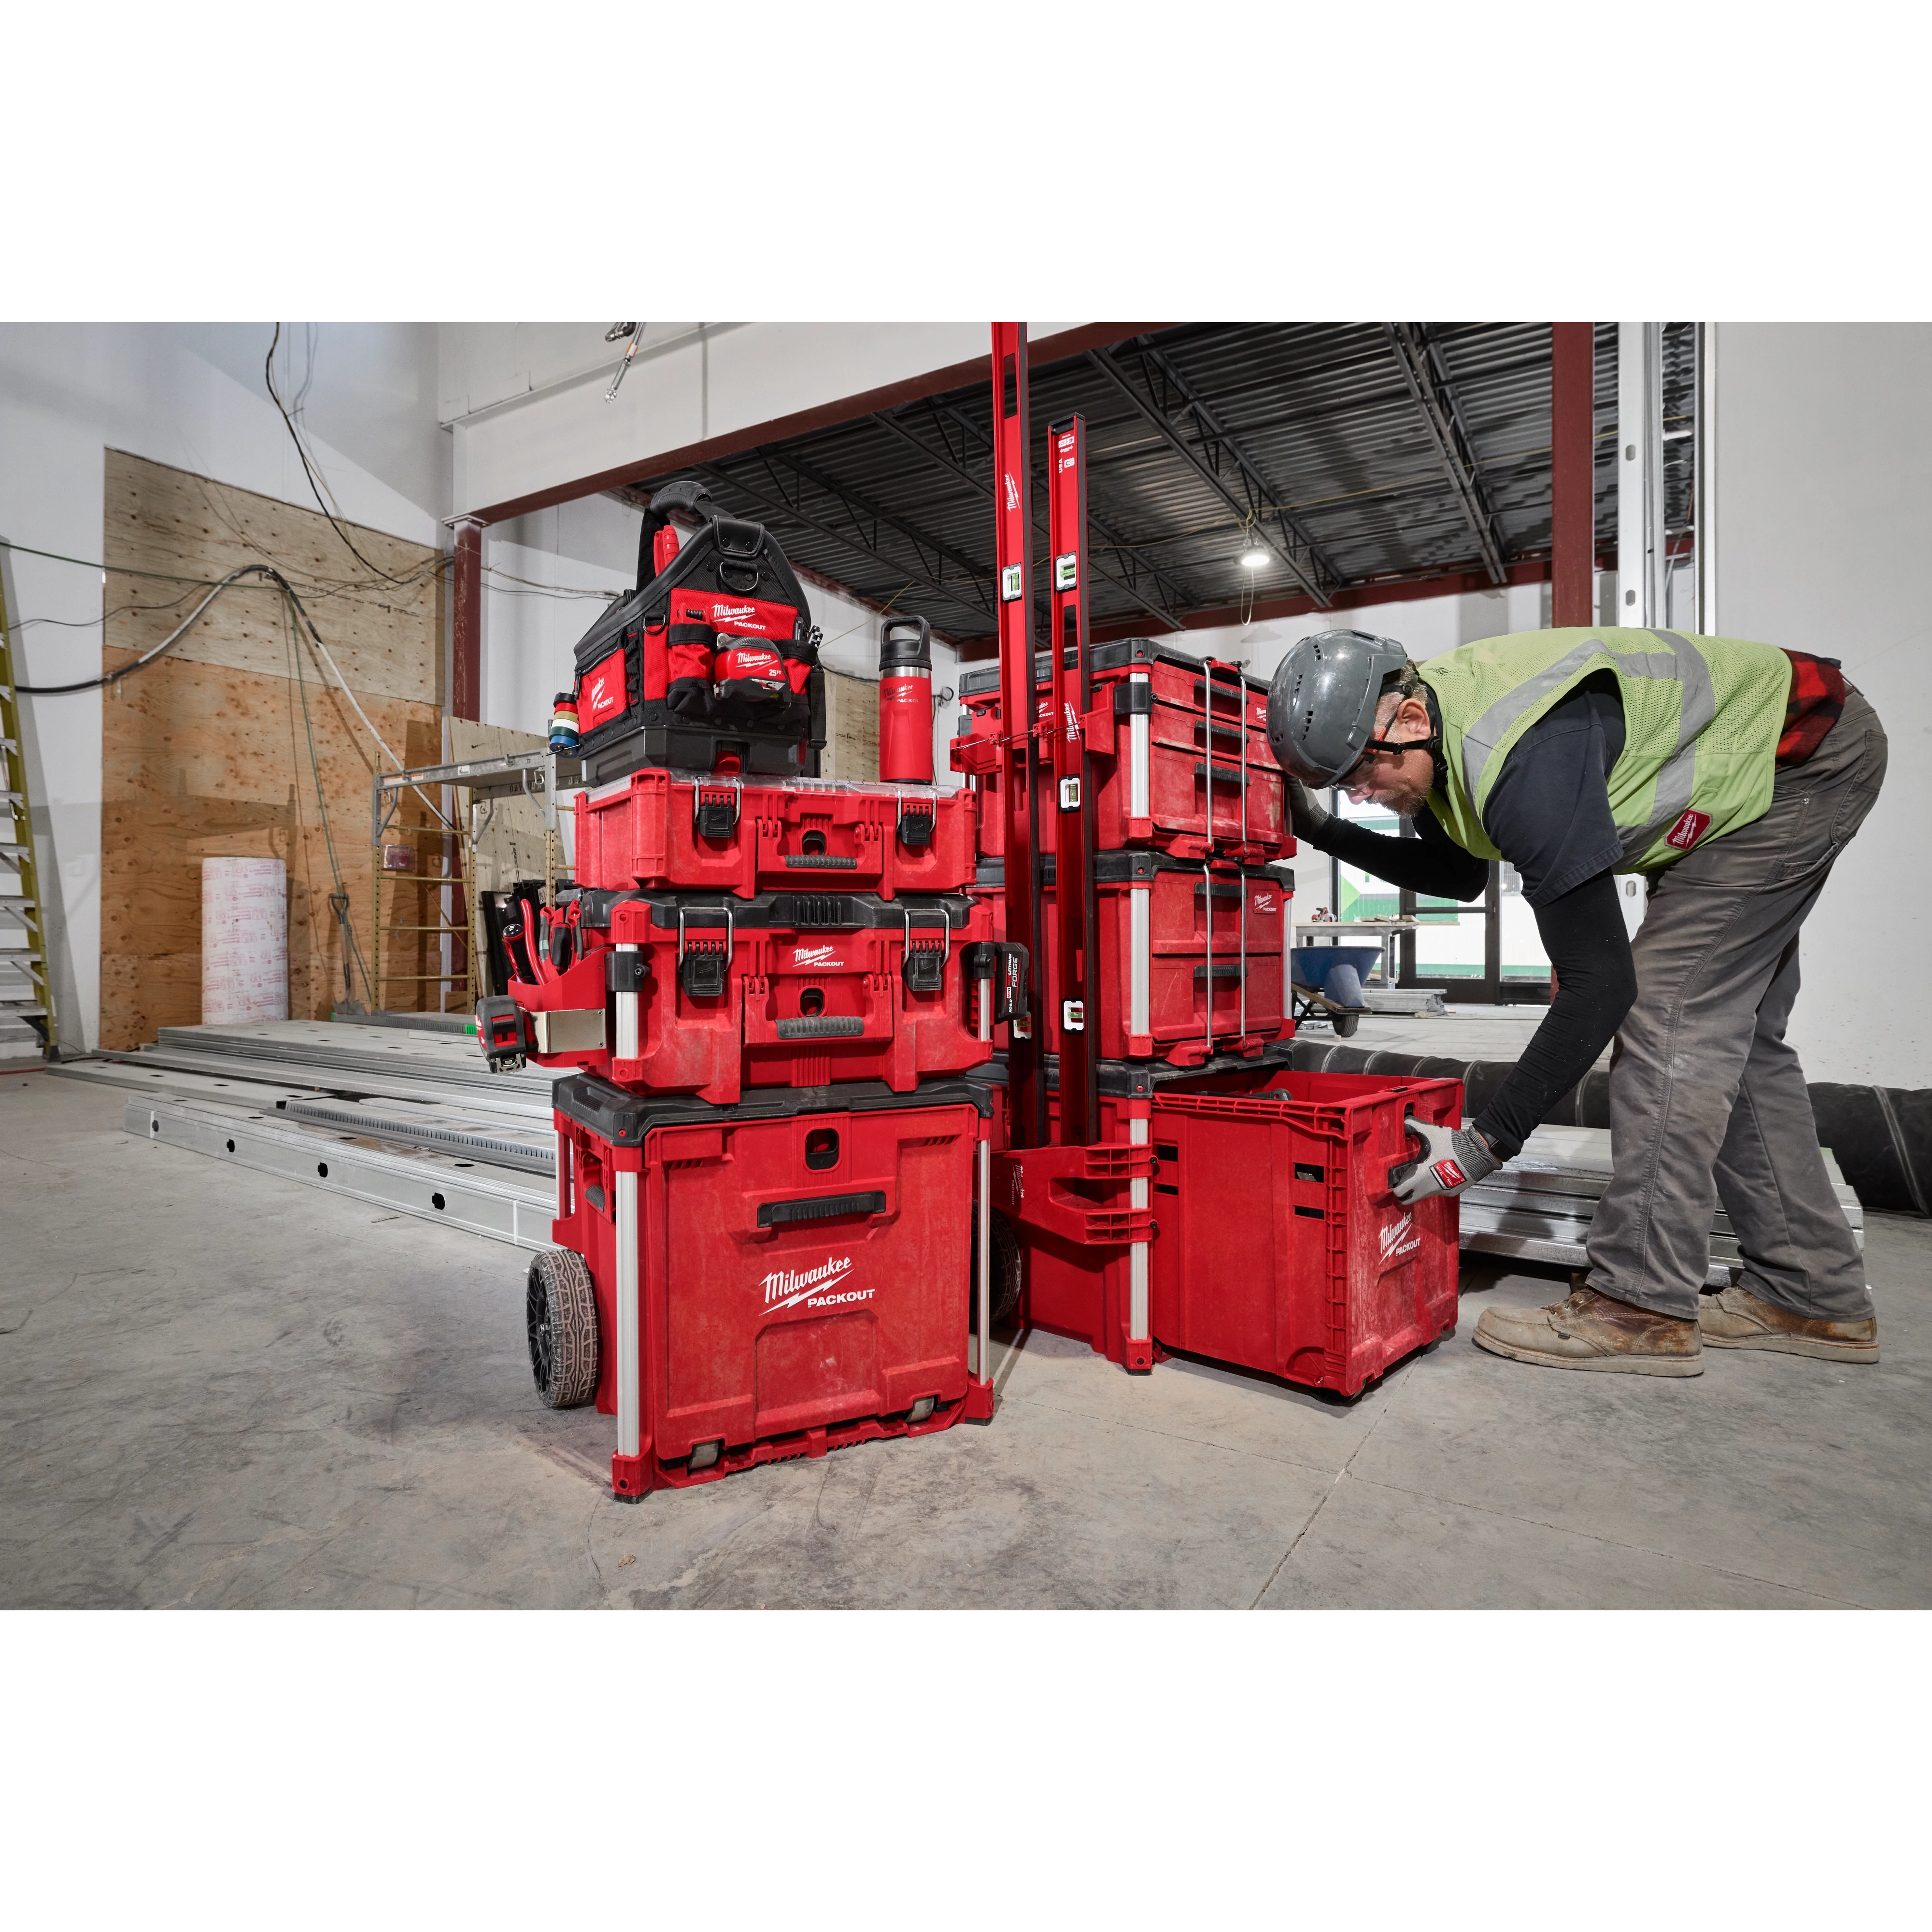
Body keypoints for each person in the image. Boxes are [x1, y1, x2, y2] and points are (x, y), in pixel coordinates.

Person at [1266, 626, 1887, 1376]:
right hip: (1771, 768)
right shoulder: (1436, 728)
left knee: (1668, 1014)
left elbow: (1601, 986)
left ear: (1407, 722)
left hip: (1799, 759)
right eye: (1341, 788)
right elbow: (1461, 876)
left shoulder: (1521, 756)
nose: (1361, 795)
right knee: (1736, 1040)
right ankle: (1809, 1291)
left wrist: (1482, 1144)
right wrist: (1324, 830)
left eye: (1359, 775)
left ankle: (1640, 1305)